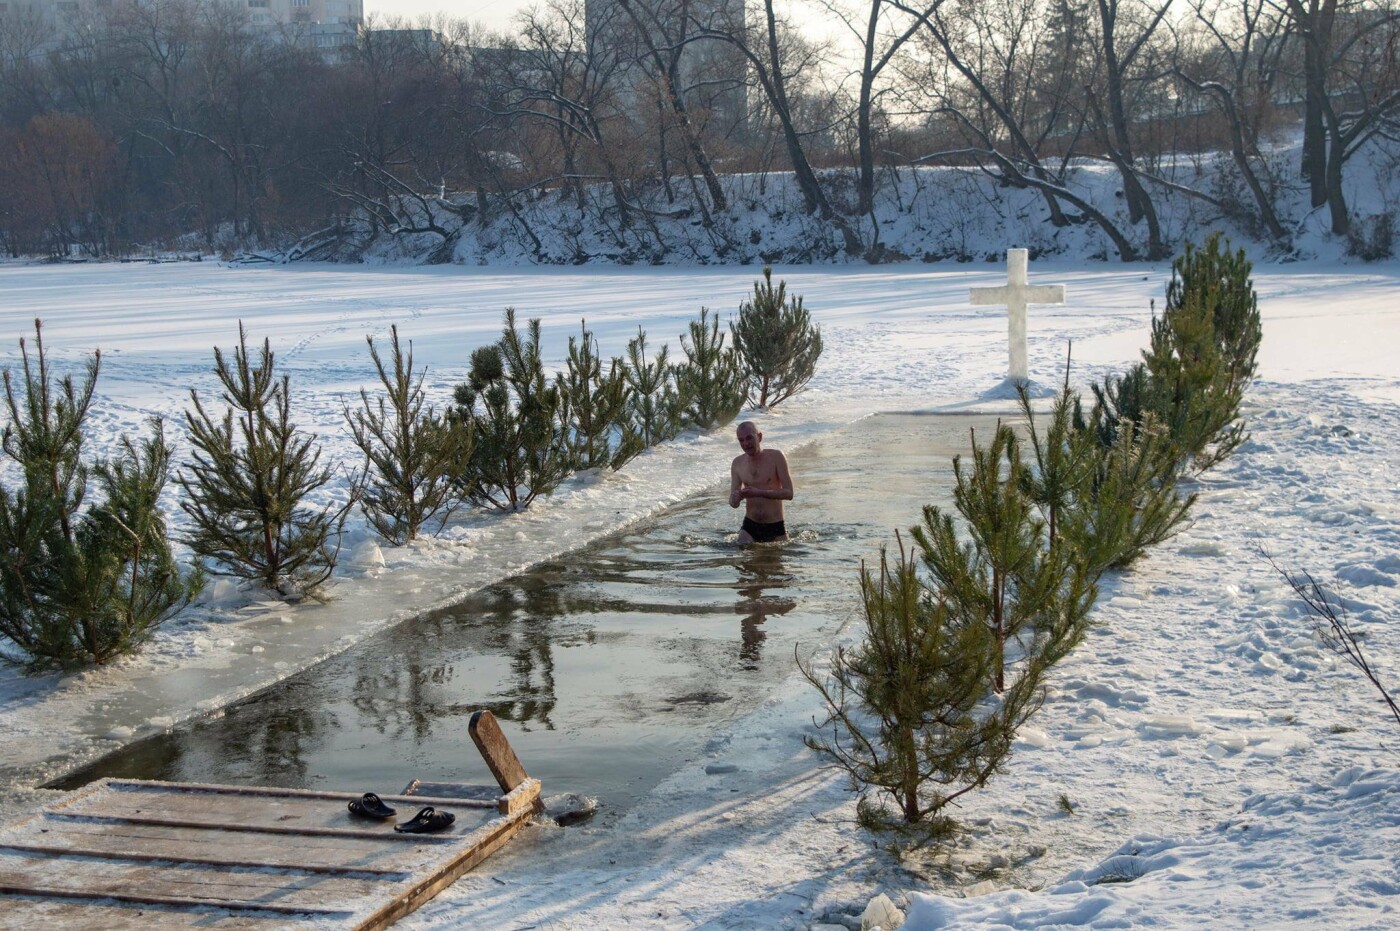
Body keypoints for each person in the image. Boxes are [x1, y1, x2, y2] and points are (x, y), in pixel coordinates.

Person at [729, 421, 793, 544]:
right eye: (741, 440)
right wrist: (735, 498)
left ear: (759, 437)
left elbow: (789, 493)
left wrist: (759, 492)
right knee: (740, 554)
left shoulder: (776, 457)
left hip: (775, 526)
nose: (746, 443)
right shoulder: (737, 463)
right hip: (750, 526)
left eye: (749, 438)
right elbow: (733, 503)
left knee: (778, 560)